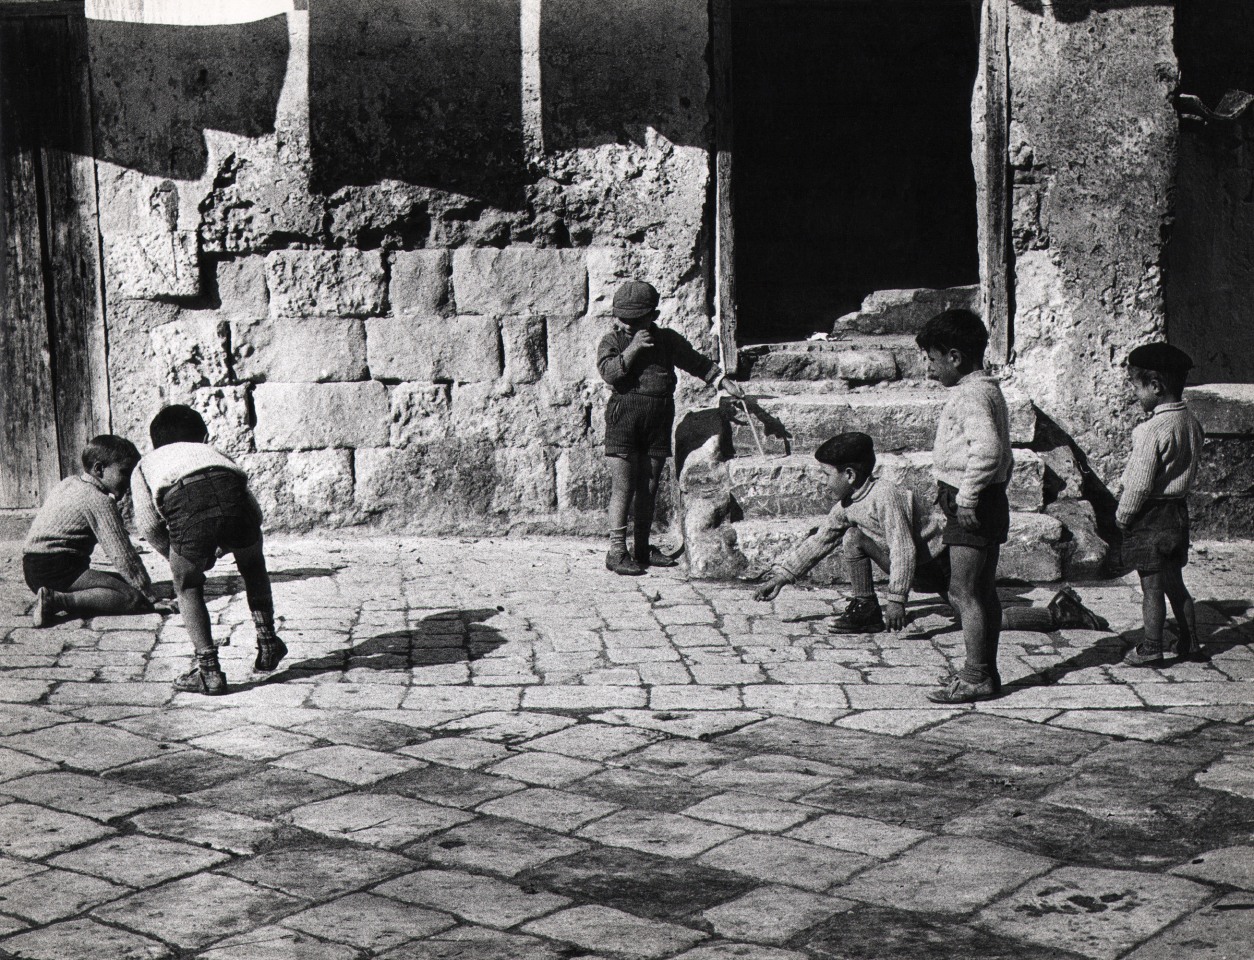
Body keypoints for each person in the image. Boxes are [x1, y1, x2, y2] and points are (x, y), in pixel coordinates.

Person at [752, 431, 1106, 643]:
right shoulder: (848, 503)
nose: (821, 481)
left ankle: (1058, 613)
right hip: (911, 564)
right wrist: (782, 577)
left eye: (825, 474)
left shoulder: (886, 495)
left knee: (976, 616)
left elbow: (905, 548)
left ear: (849, 474)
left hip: (937, 562)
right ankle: (865, 608)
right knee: (852, 538)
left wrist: (897, 600)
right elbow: (820, 541)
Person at [131, 405, 285, 695]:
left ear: (155, 443)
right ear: (203, 436)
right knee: (253, 567)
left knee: (187, 586)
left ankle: (209, 672)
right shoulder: (214, 453)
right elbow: (253, 511)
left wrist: (180, 557)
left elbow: (149, 527)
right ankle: (267, 642)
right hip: (235, 501)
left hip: (184, 504)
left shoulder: (146, 464)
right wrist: (229, 542)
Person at [596, 279, 744, 575]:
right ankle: (616, 552)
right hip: (624, 418)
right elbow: (610, 374)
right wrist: (633, 348)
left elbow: (695, 362)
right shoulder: (613, 341)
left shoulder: (667, 340)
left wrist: (721, 380)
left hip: (658, 419)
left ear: (654, 316)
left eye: (635, 320)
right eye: (622, 319)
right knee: (624, 486)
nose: (627, 325)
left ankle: (641, 548)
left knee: (649, 486)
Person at [914, 309, 1013, 703]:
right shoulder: (988, 389)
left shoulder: (970, 395)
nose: (930, 369)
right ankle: (984, 672)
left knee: (962, 592)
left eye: (933, 360)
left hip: (971, 503)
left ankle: (976, 676)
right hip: (988, 499)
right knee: (983, 591)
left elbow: (988, 451)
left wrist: (968, 496)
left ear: (955, 357)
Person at [1115, 342, 1207, 665]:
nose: (1135, 395)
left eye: (1137, 387)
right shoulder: (1192, 425)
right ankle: (1190, 641)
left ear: (1155, 385)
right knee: (1175, 583)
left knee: (1151, 587)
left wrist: (1124, 515)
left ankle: (1152, 646)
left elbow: (1139, 484)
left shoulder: (1151, 430)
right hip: (1178, 513)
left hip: (1151, 516)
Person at [23, 435, 169, 627]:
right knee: (133, 598)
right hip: (57, 568)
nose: (129, 482)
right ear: (99, 469)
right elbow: (123, 556)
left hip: (32, 567)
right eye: (125, 473)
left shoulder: (69, 483)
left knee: (121, 584)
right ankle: (56, 600)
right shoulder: (99, 500)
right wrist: (149, 597)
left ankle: (58, 595)